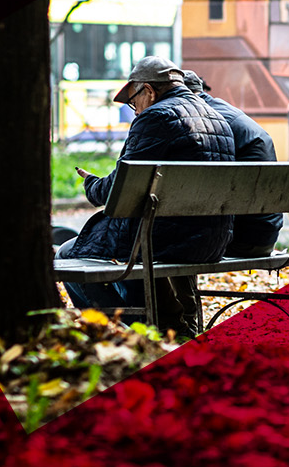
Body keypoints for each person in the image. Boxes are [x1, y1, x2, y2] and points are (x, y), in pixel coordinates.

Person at [55, 56, 235, 338]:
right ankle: (167, 325)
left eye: (133, 100)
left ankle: (127, 335)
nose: (135, 110)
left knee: (68, 254)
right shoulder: (216, 116)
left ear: (149, 91)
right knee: (133, 245)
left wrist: (91, 184)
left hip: (167, 239)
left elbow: (120, 189)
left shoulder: (156, 117)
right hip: (213, 238)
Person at [182, 70, 284, 258]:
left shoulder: (205, 121)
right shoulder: (225, 110)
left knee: (159, 241)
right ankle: (181, 289)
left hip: (241, 239)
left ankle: (176, 289)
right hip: (265, 234)